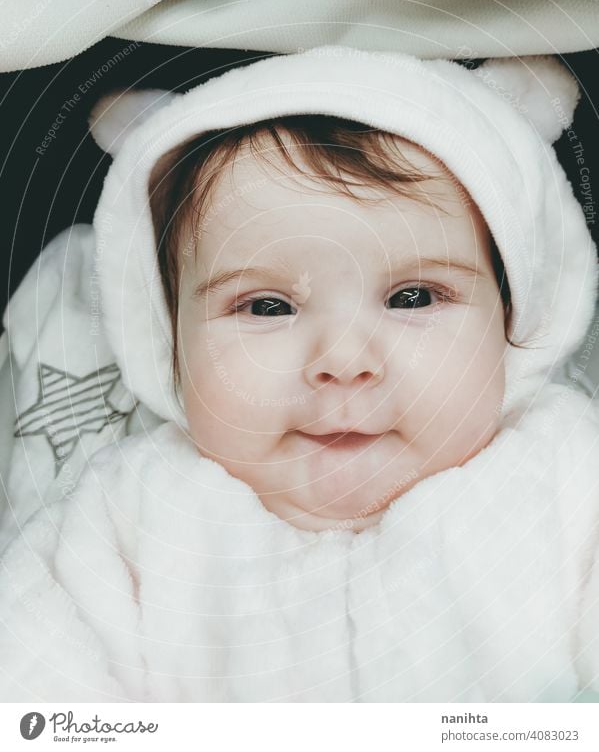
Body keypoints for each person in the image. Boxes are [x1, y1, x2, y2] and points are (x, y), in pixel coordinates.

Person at [1, 47, 598, 702]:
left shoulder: (567, 480)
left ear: (514, 318)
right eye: (266, 306)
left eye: (412, 297)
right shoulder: (130, 513)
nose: (342, 362)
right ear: (168, 340)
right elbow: (32, 676)